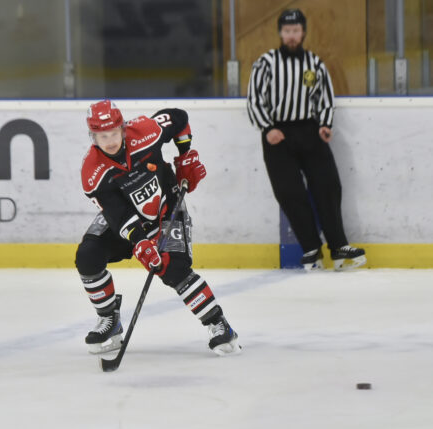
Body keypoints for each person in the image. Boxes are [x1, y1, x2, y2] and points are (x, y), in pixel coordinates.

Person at [75, 100, 240, 356]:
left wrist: (185, 155)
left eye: (114, 133)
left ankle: (218, 324)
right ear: (92, 137)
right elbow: (117, 214)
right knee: (88, 256)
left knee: (174, 269)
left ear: (123, 128)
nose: (110, 141)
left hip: (167, 209)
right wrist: (141, 241)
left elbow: (179, 117)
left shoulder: (146, 131)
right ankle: (109, 319)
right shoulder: (93, 172)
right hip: (127, 219)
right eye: (102, 136)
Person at [246, 8, 366, 271]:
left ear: (303, 33)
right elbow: (254, 100)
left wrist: (325, 124)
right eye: (287, 31)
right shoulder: (266, 63)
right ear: (280, 33)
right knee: (289, 192)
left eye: (296, 31)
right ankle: (311, 248)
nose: (291, 36)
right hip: (277, 135)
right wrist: (268, 128)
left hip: (310, 131)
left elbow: (325, 98)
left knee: (328, 186)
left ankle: (338, 246)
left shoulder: (314, 64)